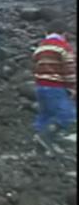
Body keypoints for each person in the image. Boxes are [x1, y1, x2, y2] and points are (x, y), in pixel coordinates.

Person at [31, 20, 77, 156]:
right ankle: (46, 136)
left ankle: (39, 146)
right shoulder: (64, 47)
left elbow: (34, 65)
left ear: (46, 33)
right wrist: (72, 86)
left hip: (40, 86)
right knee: (66, 115)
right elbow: (69, 69)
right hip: (56, 86)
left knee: (45, 114)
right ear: (64, 34)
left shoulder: (40, 48)